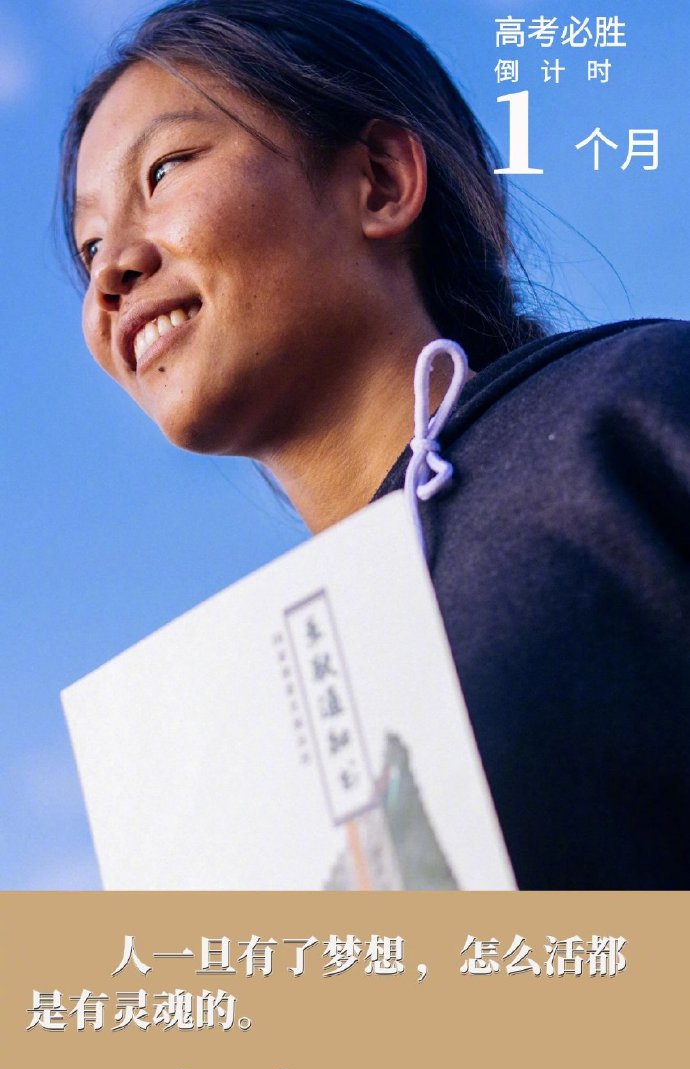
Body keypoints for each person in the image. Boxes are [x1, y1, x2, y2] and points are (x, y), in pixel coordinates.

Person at [60, 0, 690, 888]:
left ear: (381, 181)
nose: (111, 272)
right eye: (89, 246)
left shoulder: (635, 408)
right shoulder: (235, 721)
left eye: (164, 170)